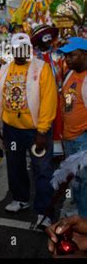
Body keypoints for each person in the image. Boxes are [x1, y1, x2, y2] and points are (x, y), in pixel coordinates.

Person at [0, 33, 57, 229]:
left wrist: (43, 131)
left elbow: (49, 100)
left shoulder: (41, 68)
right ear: (11, 50)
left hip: (36, 130)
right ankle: (20, 199)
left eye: (24, 49)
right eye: (16, 49)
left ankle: (44, 211)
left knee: (42, 170)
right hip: (12, 129)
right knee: (14, 166)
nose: (20, 53)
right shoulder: (4, 69)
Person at [59, 37, 87, 217]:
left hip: (82, 139)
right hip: (69, 136)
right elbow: (68, 102)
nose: (67, 59)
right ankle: (79, 211)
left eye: (72, 55)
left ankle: (83, 219)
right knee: (76, 179)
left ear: (84, 55)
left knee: (84, 181)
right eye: (66, 56)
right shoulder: (70, 73)